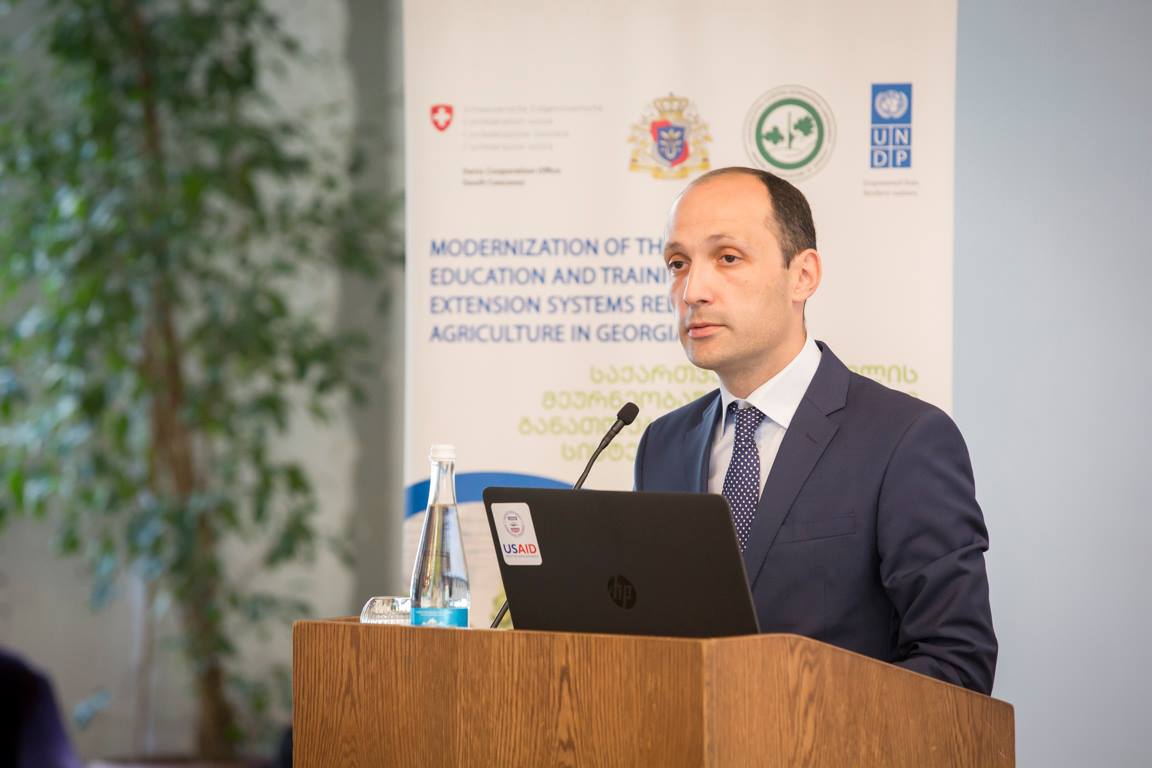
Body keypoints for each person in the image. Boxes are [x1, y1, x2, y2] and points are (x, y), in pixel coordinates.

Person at [633, 167, 997, 694]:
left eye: (728, 258)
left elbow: (956, 664)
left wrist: (799, 715)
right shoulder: (662, 445)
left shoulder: (905, 439)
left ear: (802, 275)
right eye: (677, 264)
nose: (692, 291)